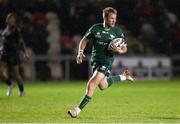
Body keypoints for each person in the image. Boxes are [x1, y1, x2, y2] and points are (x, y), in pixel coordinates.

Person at [68, 7, 134, 118]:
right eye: (111, 18)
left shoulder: (117, 32)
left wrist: (120, 50)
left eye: (115, 18)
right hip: (95, 61)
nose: (114, 21)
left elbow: (125, 48)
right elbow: (84, 40)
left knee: (92, 84)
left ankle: (77, 110)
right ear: (105, 18)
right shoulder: (95, 29)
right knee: (103, 86)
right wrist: (80, 52)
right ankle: (123, 76)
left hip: (106, 61)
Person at [0, 12, 29, 96]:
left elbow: (21, 42)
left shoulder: (16, 30)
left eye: (13, 18)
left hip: (13, 53)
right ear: (7, 19)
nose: (11, 19)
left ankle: (22, 90)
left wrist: (25, 52)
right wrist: (1, 47)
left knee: (16, 74)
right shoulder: (4, 31)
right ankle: (10, 84)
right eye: (10, 17)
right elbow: (3, 42)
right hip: (4, 53)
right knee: (0, 71)